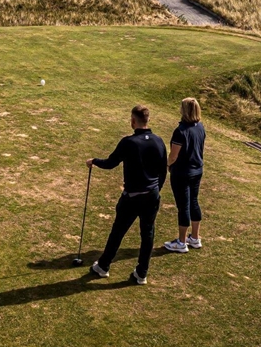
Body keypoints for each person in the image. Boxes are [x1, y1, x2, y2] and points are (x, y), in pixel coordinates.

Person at [86, 105, 167, 285]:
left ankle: (103, 266)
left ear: (133, 121)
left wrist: (93, 161)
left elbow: (110, 163)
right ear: (148, 120)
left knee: (118, 231)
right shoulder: (159, 141)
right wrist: (156, 190)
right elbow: (163, 171)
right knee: (147, 234)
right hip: (152, 195)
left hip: (132, 197)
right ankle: (142, 273)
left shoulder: (129, 142)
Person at [164, 97, 206, 253]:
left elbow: (173, 156)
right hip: (197, 170)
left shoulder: (180, 131)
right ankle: (195, 238)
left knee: (183, 206)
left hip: (182, 172)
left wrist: (168, 165)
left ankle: (181, 242)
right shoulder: (200, 127)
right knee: (193, 201)